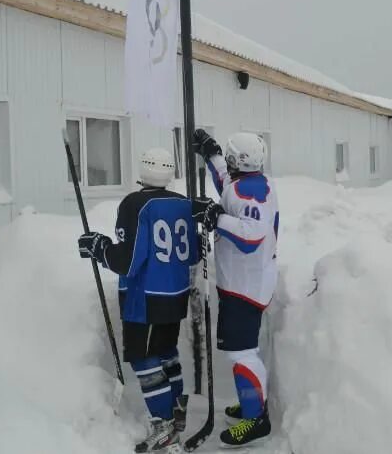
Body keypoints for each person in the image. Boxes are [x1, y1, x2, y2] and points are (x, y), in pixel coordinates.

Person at [78, 147, 198, 453]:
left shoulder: (135, 204)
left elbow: (129, 261)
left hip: (144, 298)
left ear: (142, 170)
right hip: (175, 294)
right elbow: (194, 252)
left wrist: (100, 248)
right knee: (166, 352)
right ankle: (176, 413)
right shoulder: (183, 203)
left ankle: (163, 426)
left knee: (144, 360)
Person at [190, 129, 279, 448]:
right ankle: (249, 404)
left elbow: (251, 236)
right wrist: (209, 152)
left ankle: (257, 419)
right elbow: (224, 182)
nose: (225, 161)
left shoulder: (250, 193)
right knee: (238, 351)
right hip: (241, 283)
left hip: (246, 286)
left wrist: (216, 218)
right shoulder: (245, 182)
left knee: (242, 352)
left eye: (228, 155)